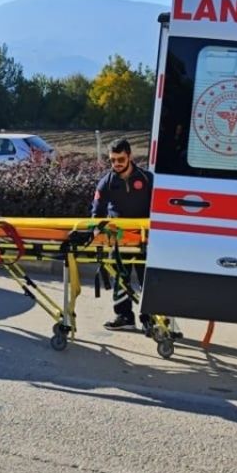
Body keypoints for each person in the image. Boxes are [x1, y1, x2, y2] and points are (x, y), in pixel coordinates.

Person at [91, 138, 155, 331]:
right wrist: (97, 230)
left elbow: (158, 207)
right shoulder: (107, 182)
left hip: (144, 237)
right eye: (112, 160)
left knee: (147, 279)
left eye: (120, 159)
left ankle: (150, 319)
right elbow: (97, 211)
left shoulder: (147, 179)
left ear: (130, 156)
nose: (116, 164)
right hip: (118, 237)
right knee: (120, 278)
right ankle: (124, 316)